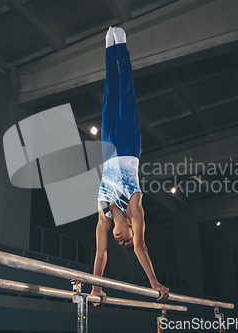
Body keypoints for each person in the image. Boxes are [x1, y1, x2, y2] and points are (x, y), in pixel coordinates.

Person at [91, 27, 169, 305]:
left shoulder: (104, 218)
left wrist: (96, 288)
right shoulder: (135, 210)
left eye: (120, 243)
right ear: (133, 232)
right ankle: (121, 46)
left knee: (110, 93)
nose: (122, 241)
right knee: (125, 92)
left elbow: (101, 255)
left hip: (108, 147)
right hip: (129, 147)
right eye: (127, 241)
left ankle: (108, 49)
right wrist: (154, 282)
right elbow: (141, 247)